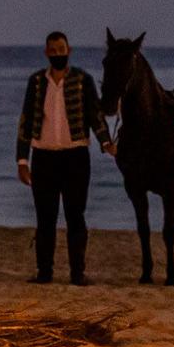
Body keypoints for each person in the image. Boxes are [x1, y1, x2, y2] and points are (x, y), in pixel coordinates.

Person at [16, 31, 115, 286]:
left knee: (75, 215)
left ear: (69, 50)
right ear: (47, 52)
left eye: (62, 48)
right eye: (53, 49)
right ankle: (44, 272)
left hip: (76, 156)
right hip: (43, 157)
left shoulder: (83, 80)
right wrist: (22, 161)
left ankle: (77, 273)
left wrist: (106, 142)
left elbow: (95, 115)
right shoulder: (36, 82)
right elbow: (26, 121)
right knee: (45, 217)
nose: (58, 53)